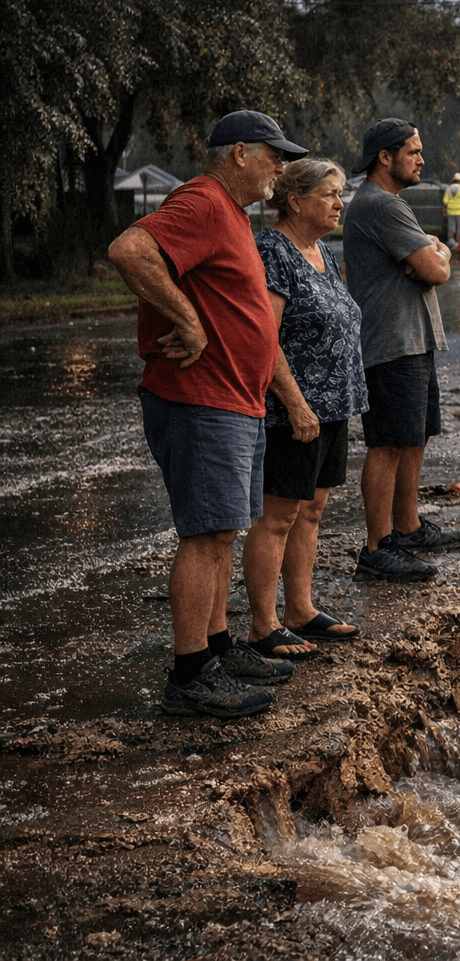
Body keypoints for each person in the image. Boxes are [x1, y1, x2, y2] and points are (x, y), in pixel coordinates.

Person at [108, 109, 307, 718]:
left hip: (235, 401)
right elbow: (130, 248)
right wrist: (186, 318)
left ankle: (218, 649)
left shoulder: (235, 216)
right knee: (204, 536)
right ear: (239, 153)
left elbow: (247, 317)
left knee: (223, 531)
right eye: (274, 154)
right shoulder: (202, 201)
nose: (281, 166)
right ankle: (190, 674)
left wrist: (285, 397)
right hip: (201, 400)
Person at [242, 158, 366, 659]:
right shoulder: (273, 250)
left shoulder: (321, 251)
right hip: (293, 410)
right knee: (278, 516)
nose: (339, 204)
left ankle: (301, 610)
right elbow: (264, 337)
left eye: (341, 195)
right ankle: (263, 625)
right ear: (296, 201)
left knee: (311, 512)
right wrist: (294, 402)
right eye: (330, 194)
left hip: (334, 406)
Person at [344, 118, 460, 582]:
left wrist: (436, 254)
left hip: (412, 341)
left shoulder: (390, 204)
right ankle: (378, 547)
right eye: (413, 152)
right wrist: (438, 256)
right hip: (390, 345)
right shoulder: (380, 206)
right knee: (388, 443)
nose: (421, 159)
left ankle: (408, 526)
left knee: (414, 435)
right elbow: (435, 269)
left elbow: (432, 259)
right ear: (385, 157)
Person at [442, 172, 460, 246]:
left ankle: (451, 241)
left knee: (451, 227)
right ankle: (459, 242)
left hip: (450, 211)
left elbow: (445, 201)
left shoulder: (448, 188)